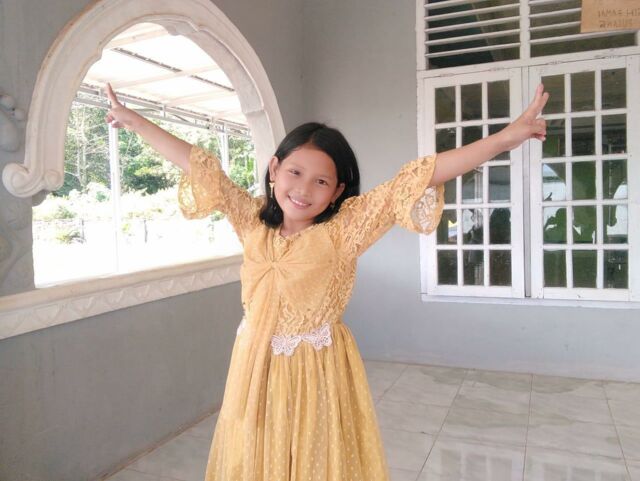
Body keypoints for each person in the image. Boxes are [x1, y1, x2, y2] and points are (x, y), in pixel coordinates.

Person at [105, 83, 548, 481]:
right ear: (274, 169)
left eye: (321, 181)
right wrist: (133, 120)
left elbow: (419, 176)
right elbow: (202, 167)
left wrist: (507, 138)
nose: (303, 189)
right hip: (252, 366)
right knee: (254, 454)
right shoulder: (251, 220)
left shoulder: (344, 231)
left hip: (314, 371)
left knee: (314, 461)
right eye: (295, 173)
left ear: (337, 192)